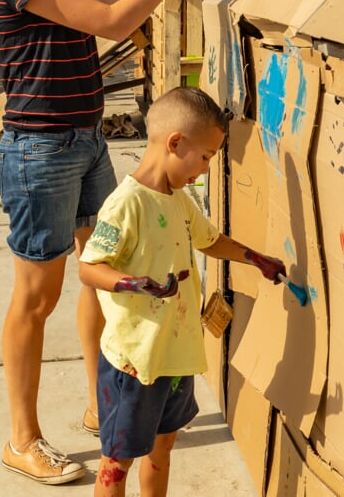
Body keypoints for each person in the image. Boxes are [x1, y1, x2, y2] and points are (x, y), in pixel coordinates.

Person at [0, 0, 227, 486]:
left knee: (100, 268)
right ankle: (22, 438)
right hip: (39, 151)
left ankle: (102, 403)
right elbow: (112, 23)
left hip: (83, 138)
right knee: (35, 298)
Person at [78, 87, 288, 497]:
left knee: (164, 447)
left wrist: (256, 258)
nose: (207, 169)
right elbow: (89, 267)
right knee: (117, 463)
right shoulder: (127, 204)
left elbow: (210, 241)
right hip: (134, 363)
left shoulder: (178, 199)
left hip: (174, 357)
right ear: (175, 143)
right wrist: (132, 283)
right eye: (207, 156)